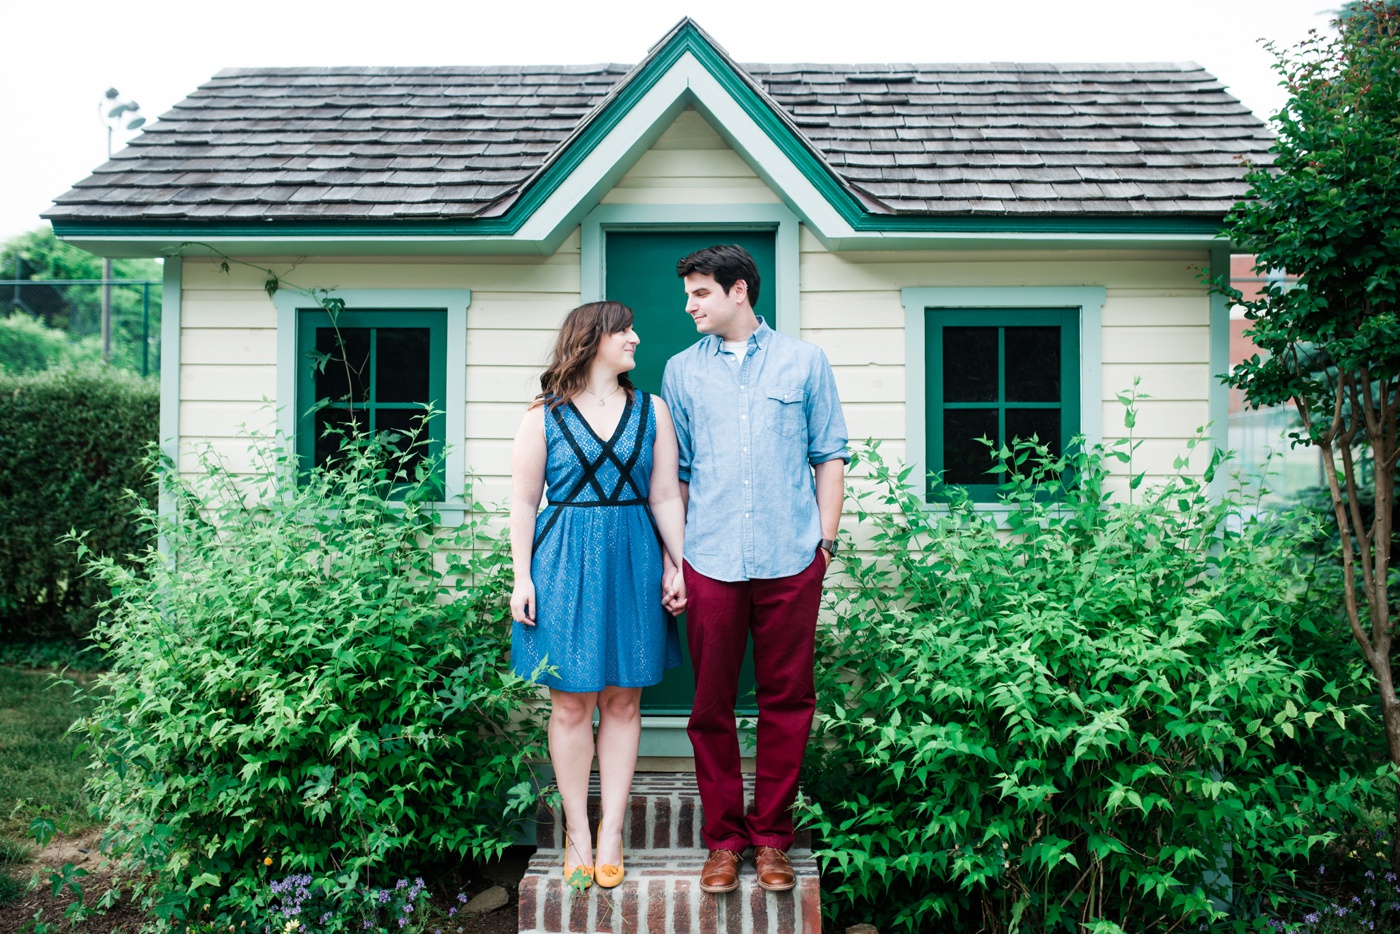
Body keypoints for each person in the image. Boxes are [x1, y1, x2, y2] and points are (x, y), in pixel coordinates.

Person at [660, 244, 849, 894]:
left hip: (790, 558)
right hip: (709, 557)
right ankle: (724, 842)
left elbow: (829, 455)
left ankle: (771, 839)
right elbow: (677, 475)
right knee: (709, 704)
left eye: (700, 294)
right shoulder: (682, 371)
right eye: (689, 295)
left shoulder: (805, 363)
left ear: (739, 290)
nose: (689, 306)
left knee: (787, 700)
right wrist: (675, 561)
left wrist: (823, 543)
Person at [509, 300, 687, 891]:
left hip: (634, 558)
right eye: (624, 330)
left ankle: (611, 830)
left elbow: (664, 496)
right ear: (591, 341)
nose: (636, 337)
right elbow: (522, 502)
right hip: (561, 562)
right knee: (570, 704)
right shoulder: (542, 416)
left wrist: (675, 563)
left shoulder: (652, 410)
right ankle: (577, 832)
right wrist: (521, 575)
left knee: (623, 702)